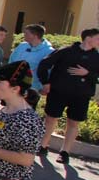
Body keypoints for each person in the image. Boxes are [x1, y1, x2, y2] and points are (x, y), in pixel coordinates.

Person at [36, 29, 99, 163]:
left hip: (81, 95)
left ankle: (64, 152)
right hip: (58, 92)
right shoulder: (66, 51)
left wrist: (87, 73)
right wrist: (45, 82)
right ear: (88, 38)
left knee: (73, 123)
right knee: (50, 119)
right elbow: (44, 64)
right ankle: (43, 145)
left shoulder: (97, 57)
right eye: (98, 38)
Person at [8, 24, 52, 92]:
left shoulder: (49, 51)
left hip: (32, 88)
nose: (24, 35)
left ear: (34, 35)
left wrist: (44, 85)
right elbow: (11, 62)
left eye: (26, 33)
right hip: (13, 85)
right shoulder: (21, 46)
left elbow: (49, 71)